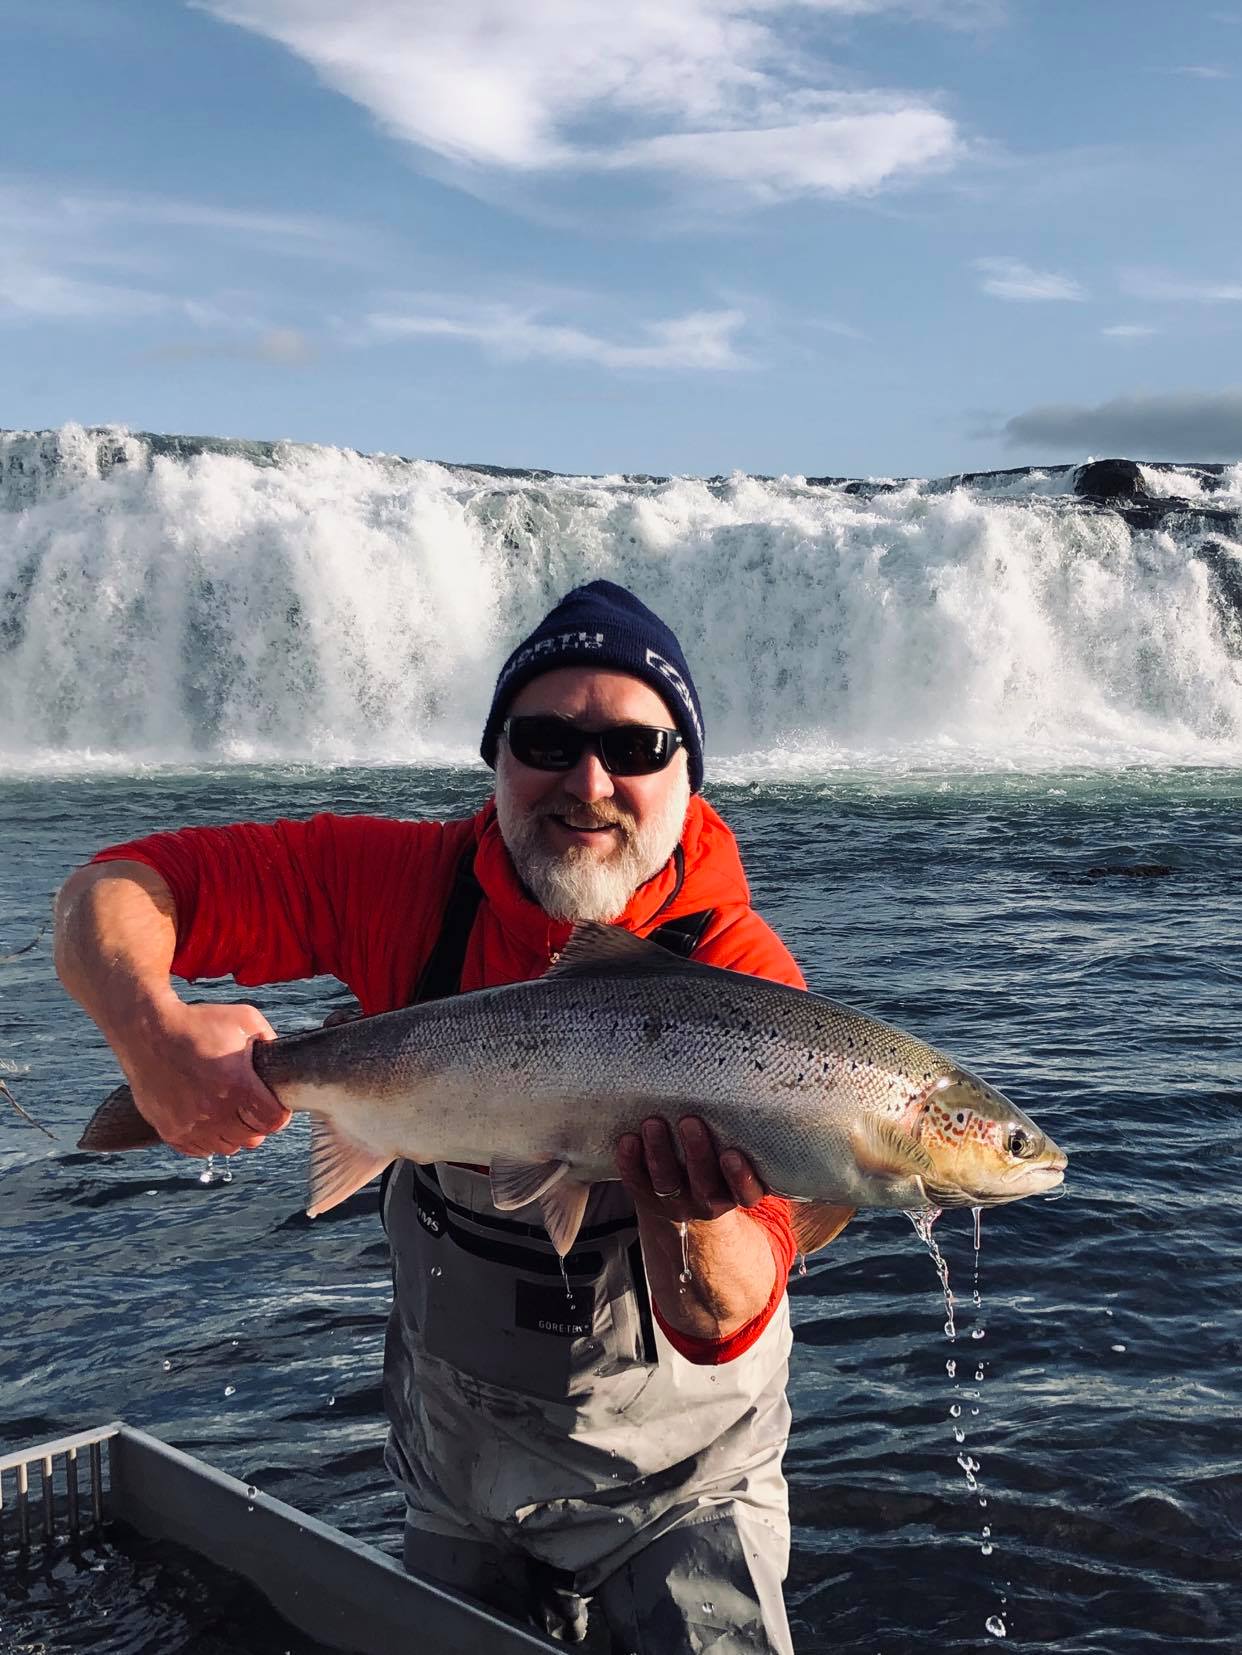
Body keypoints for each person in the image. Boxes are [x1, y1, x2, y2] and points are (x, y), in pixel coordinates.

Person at [55, 581, 846, 1653]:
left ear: (688, 775)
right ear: (496, 758)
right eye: (546, 737)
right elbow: (122, 880)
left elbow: (724, 1317)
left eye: (638, 745)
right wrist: (151, 1036)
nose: (591, 780)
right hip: (452, 1471)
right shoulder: (409, 883)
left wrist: (692, 1216)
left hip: (684, 1491)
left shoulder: (754, 994)